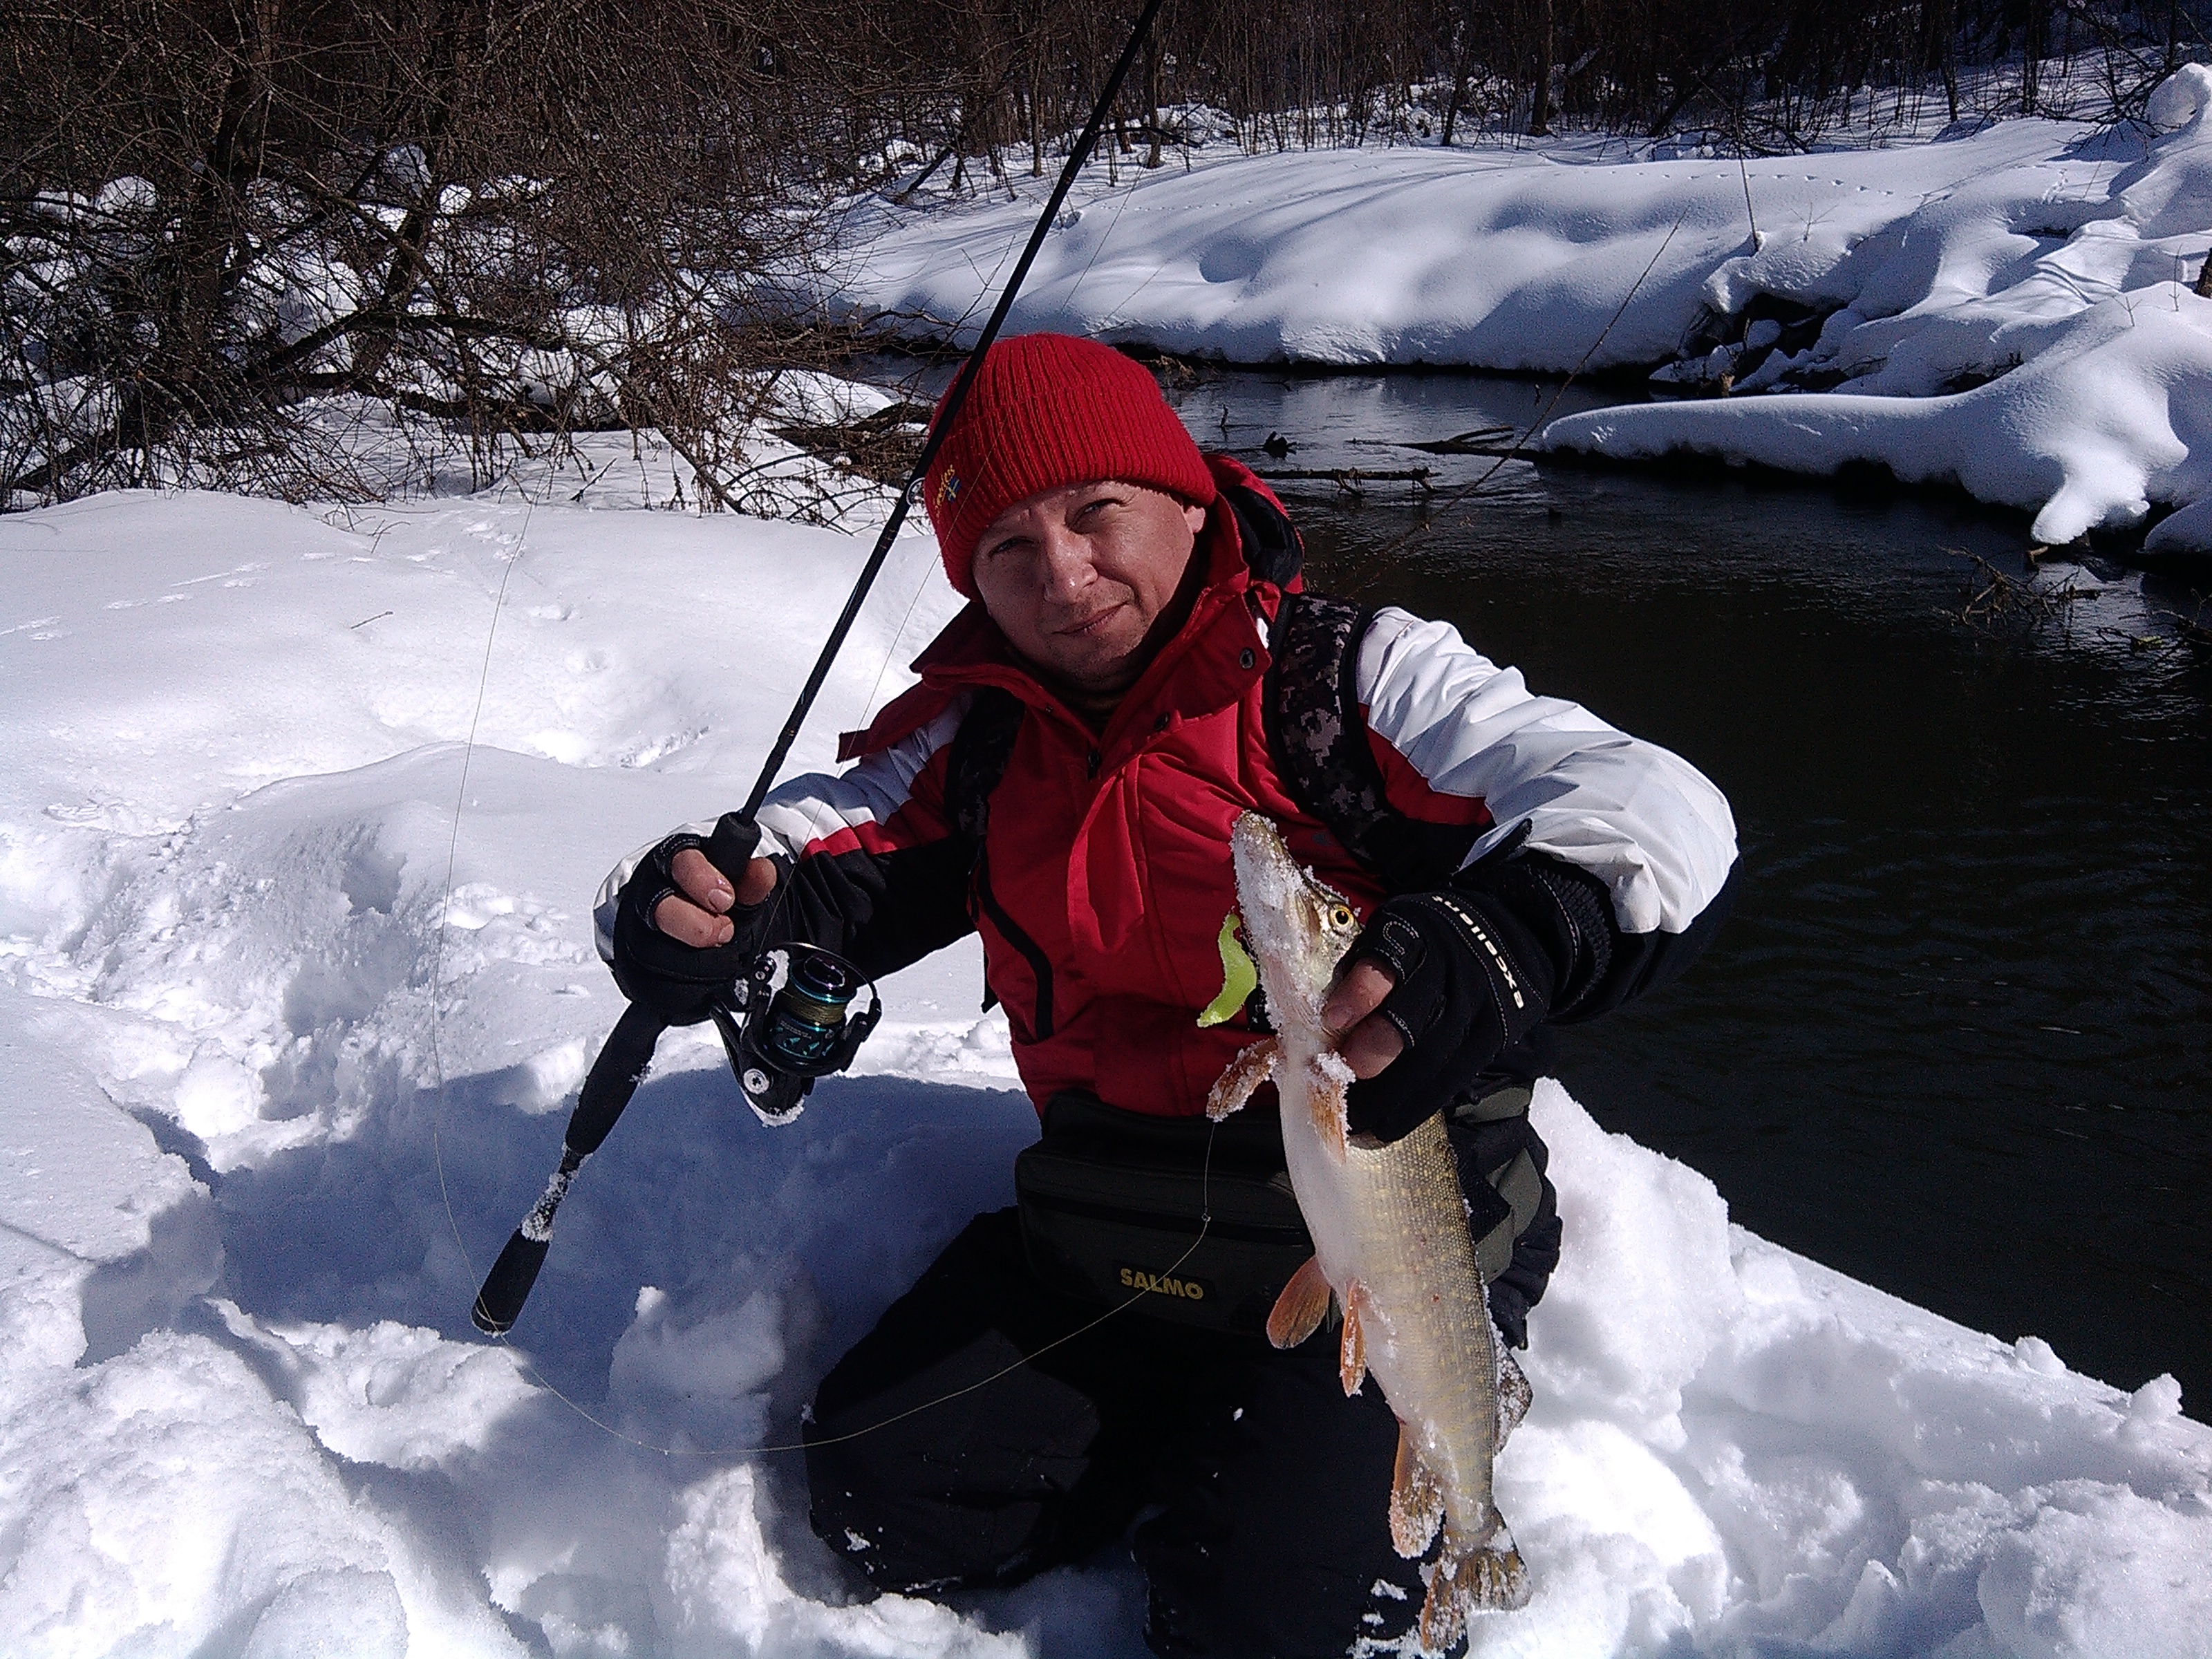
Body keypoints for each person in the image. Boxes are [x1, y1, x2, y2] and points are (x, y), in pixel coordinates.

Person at [595, 332, 1738, 1656]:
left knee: (1283, 1627)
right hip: (1112, 1230)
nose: (1063, 577)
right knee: (887, 1500)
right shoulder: (978, 740)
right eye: (1007, 548)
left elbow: (1651, 803)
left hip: (1385, 1243)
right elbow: (796, 855)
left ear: (1190, 500)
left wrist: (1512, 934)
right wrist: (687, 908)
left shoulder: (1351, 683)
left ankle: (1294, 1478)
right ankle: (1194, 1443)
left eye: (1097, 512)